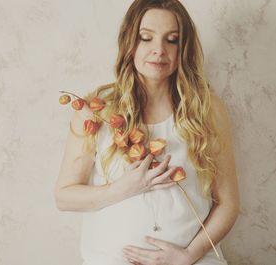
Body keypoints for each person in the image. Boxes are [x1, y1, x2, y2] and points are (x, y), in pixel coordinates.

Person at [54, 0, 240, 264]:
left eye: (171, 40)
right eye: (146, 38)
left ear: (182, 48)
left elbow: (228, 204)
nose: (159, 51)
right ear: (130, 42)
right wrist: (123, 188)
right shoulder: (96, 111)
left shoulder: (206, 111)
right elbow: (64, 197)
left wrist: (188, 255)